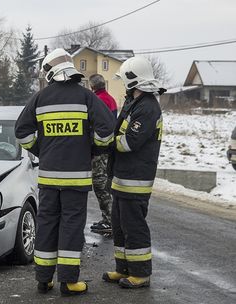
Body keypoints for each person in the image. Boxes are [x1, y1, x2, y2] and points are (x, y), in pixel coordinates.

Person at [15, 48, 115, 296]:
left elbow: (22, 133)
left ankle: (44, 279)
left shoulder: (39, 99)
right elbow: (107, 131)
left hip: (48, 178)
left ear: (49, 72)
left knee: (47, 223)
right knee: (71, 226)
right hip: (77, 178)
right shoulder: (86, 97)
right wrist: (90, 149)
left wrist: (43, 150)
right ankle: (69, 282)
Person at [103, 56, 165, 289]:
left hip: (135, 178)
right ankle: (123, 269)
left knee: (134, 227)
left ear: (133, 80)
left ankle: (141, 273)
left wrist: (107, 140)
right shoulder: (134, 103)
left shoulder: (147, 107)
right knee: (119, 226)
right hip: (122, 177)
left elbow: (130, 142)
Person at [88, 74, 118, 235]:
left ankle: (109, 221)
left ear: (92, 87)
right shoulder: (110, 99)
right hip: (108, 149)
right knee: (104, 184)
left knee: (100, 185)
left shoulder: (97, 101)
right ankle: (109, 219)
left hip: (100, 151)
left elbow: (98, 125)